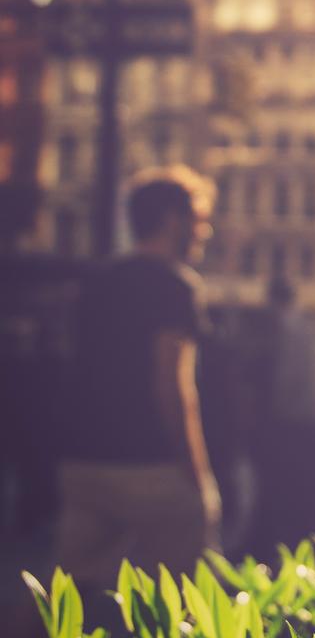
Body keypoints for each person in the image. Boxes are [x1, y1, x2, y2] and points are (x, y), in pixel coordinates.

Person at [55, 166, 221, 592]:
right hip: (150, 467)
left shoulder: (96, 282)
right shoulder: (176, 286)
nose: (204, 231)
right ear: (173, 220)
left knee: (61, 596)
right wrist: (198, 476)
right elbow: (174, 386)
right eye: (199, 219)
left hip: (83, 463)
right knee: (185, 597)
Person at [245, 274, 315, 559]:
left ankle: (275, 548)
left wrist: (267, 417)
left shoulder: (280, 327)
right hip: (311, 422)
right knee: (303, 489)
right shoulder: (309, 328)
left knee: (279, 487)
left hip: (287, 423)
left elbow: (283, 379)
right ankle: (308, 548)